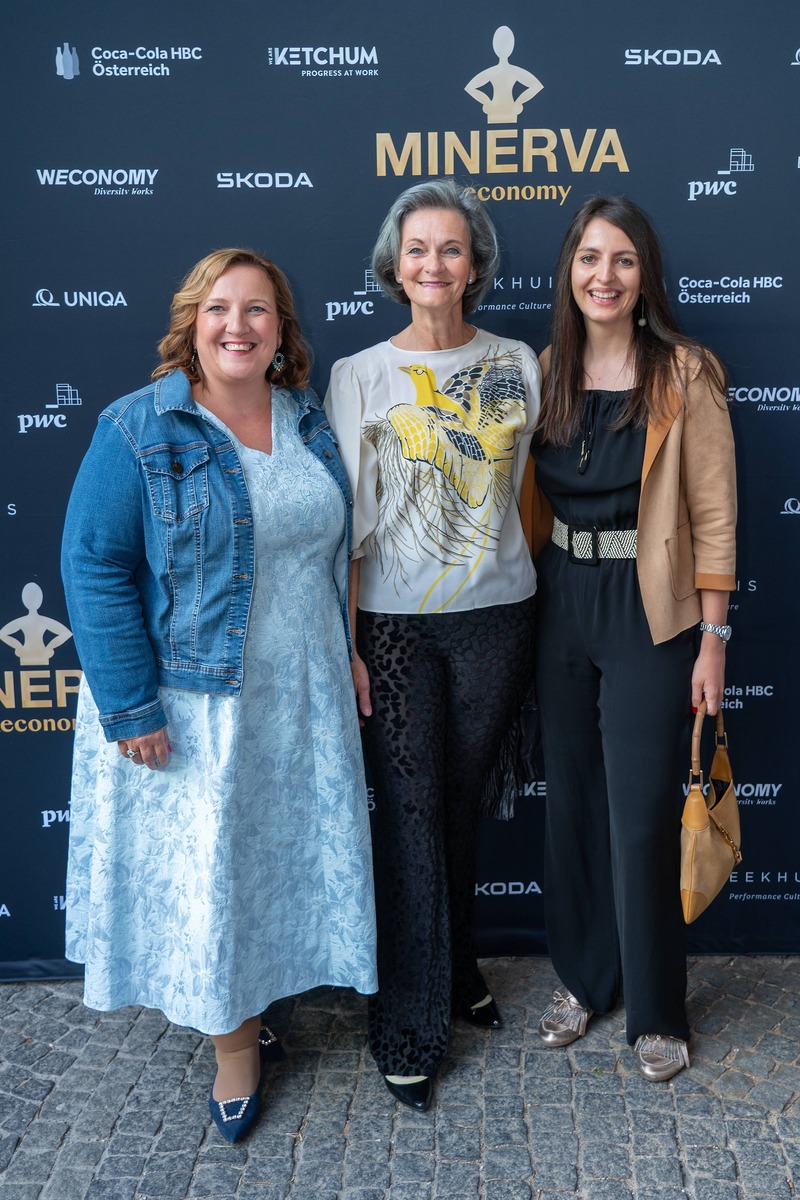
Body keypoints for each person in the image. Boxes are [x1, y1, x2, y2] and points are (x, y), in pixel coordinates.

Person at [61, 249, 377, 1143]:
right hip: (200, 704)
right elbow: (93, 564)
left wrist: (348, 650)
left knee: (271, 865)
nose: (238, 326)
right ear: (191, 324)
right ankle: (235, 1048)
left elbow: (332, 551)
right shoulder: (140, 426)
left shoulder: (308, 418)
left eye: (258, 310)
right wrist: (132, 706)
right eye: (219, 309)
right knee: (217, 873)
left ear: (282, 330)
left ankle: (261, 998)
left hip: (302, 695)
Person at [326, 180, 540, 1110]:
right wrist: (350, 645)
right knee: (409, 817)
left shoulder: (516, 362)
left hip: (500, 616)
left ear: (476, 264)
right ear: (394, 263)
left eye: (451, 248)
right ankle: (408, 1021)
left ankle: (455, 971)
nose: (434, 265)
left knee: (455, 811)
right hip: (395, 627)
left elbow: (526, 492)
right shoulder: (359, 375)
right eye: (418, 248)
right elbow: (345, 530)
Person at [528, 196, 736, 1080]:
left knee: (641, 813)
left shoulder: (685, 371)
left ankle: (656, 1010)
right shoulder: (545, 370)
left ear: (644, 274)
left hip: (650, 608)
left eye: (621, 259)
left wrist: (713, 638)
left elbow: (715, 515)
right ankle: (586, 979)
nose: (603, 276)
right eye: (588, 258)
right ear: (569, 271)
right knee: (573, 803)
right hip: (562, 599)